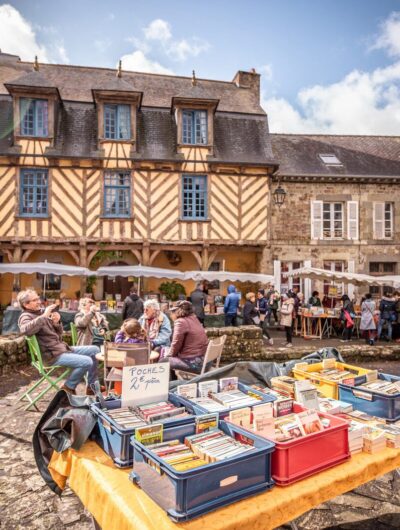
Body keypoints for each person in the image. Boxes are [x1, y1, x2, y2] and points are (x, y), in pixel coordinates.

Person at [17, 289, 101, 395]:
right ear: (26, 304)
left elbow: (59, 333)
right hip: (51, 356)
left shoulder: (42, 312)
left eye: (38, 298)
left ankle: (91, 386)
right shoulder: (26, 316)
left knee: (95, 349)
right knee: (87, 361)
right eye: (34, 300)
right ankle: (68, 388)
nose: (39, 301)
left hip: (61, 349)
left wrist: (57, 323)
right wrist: (44, 316)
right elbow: (26, 330)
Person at [154, 301, 208, 373]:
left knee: (163, 361)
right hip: (204, 360)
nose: (170, 315)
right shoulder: (194, 318)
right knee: (160, 350)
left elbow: (176, 343)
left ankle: (166, 383)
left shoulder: (180, 322)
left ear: (177, 311)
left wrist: (168, 355)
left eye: (172, 312)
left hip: (193, 364)